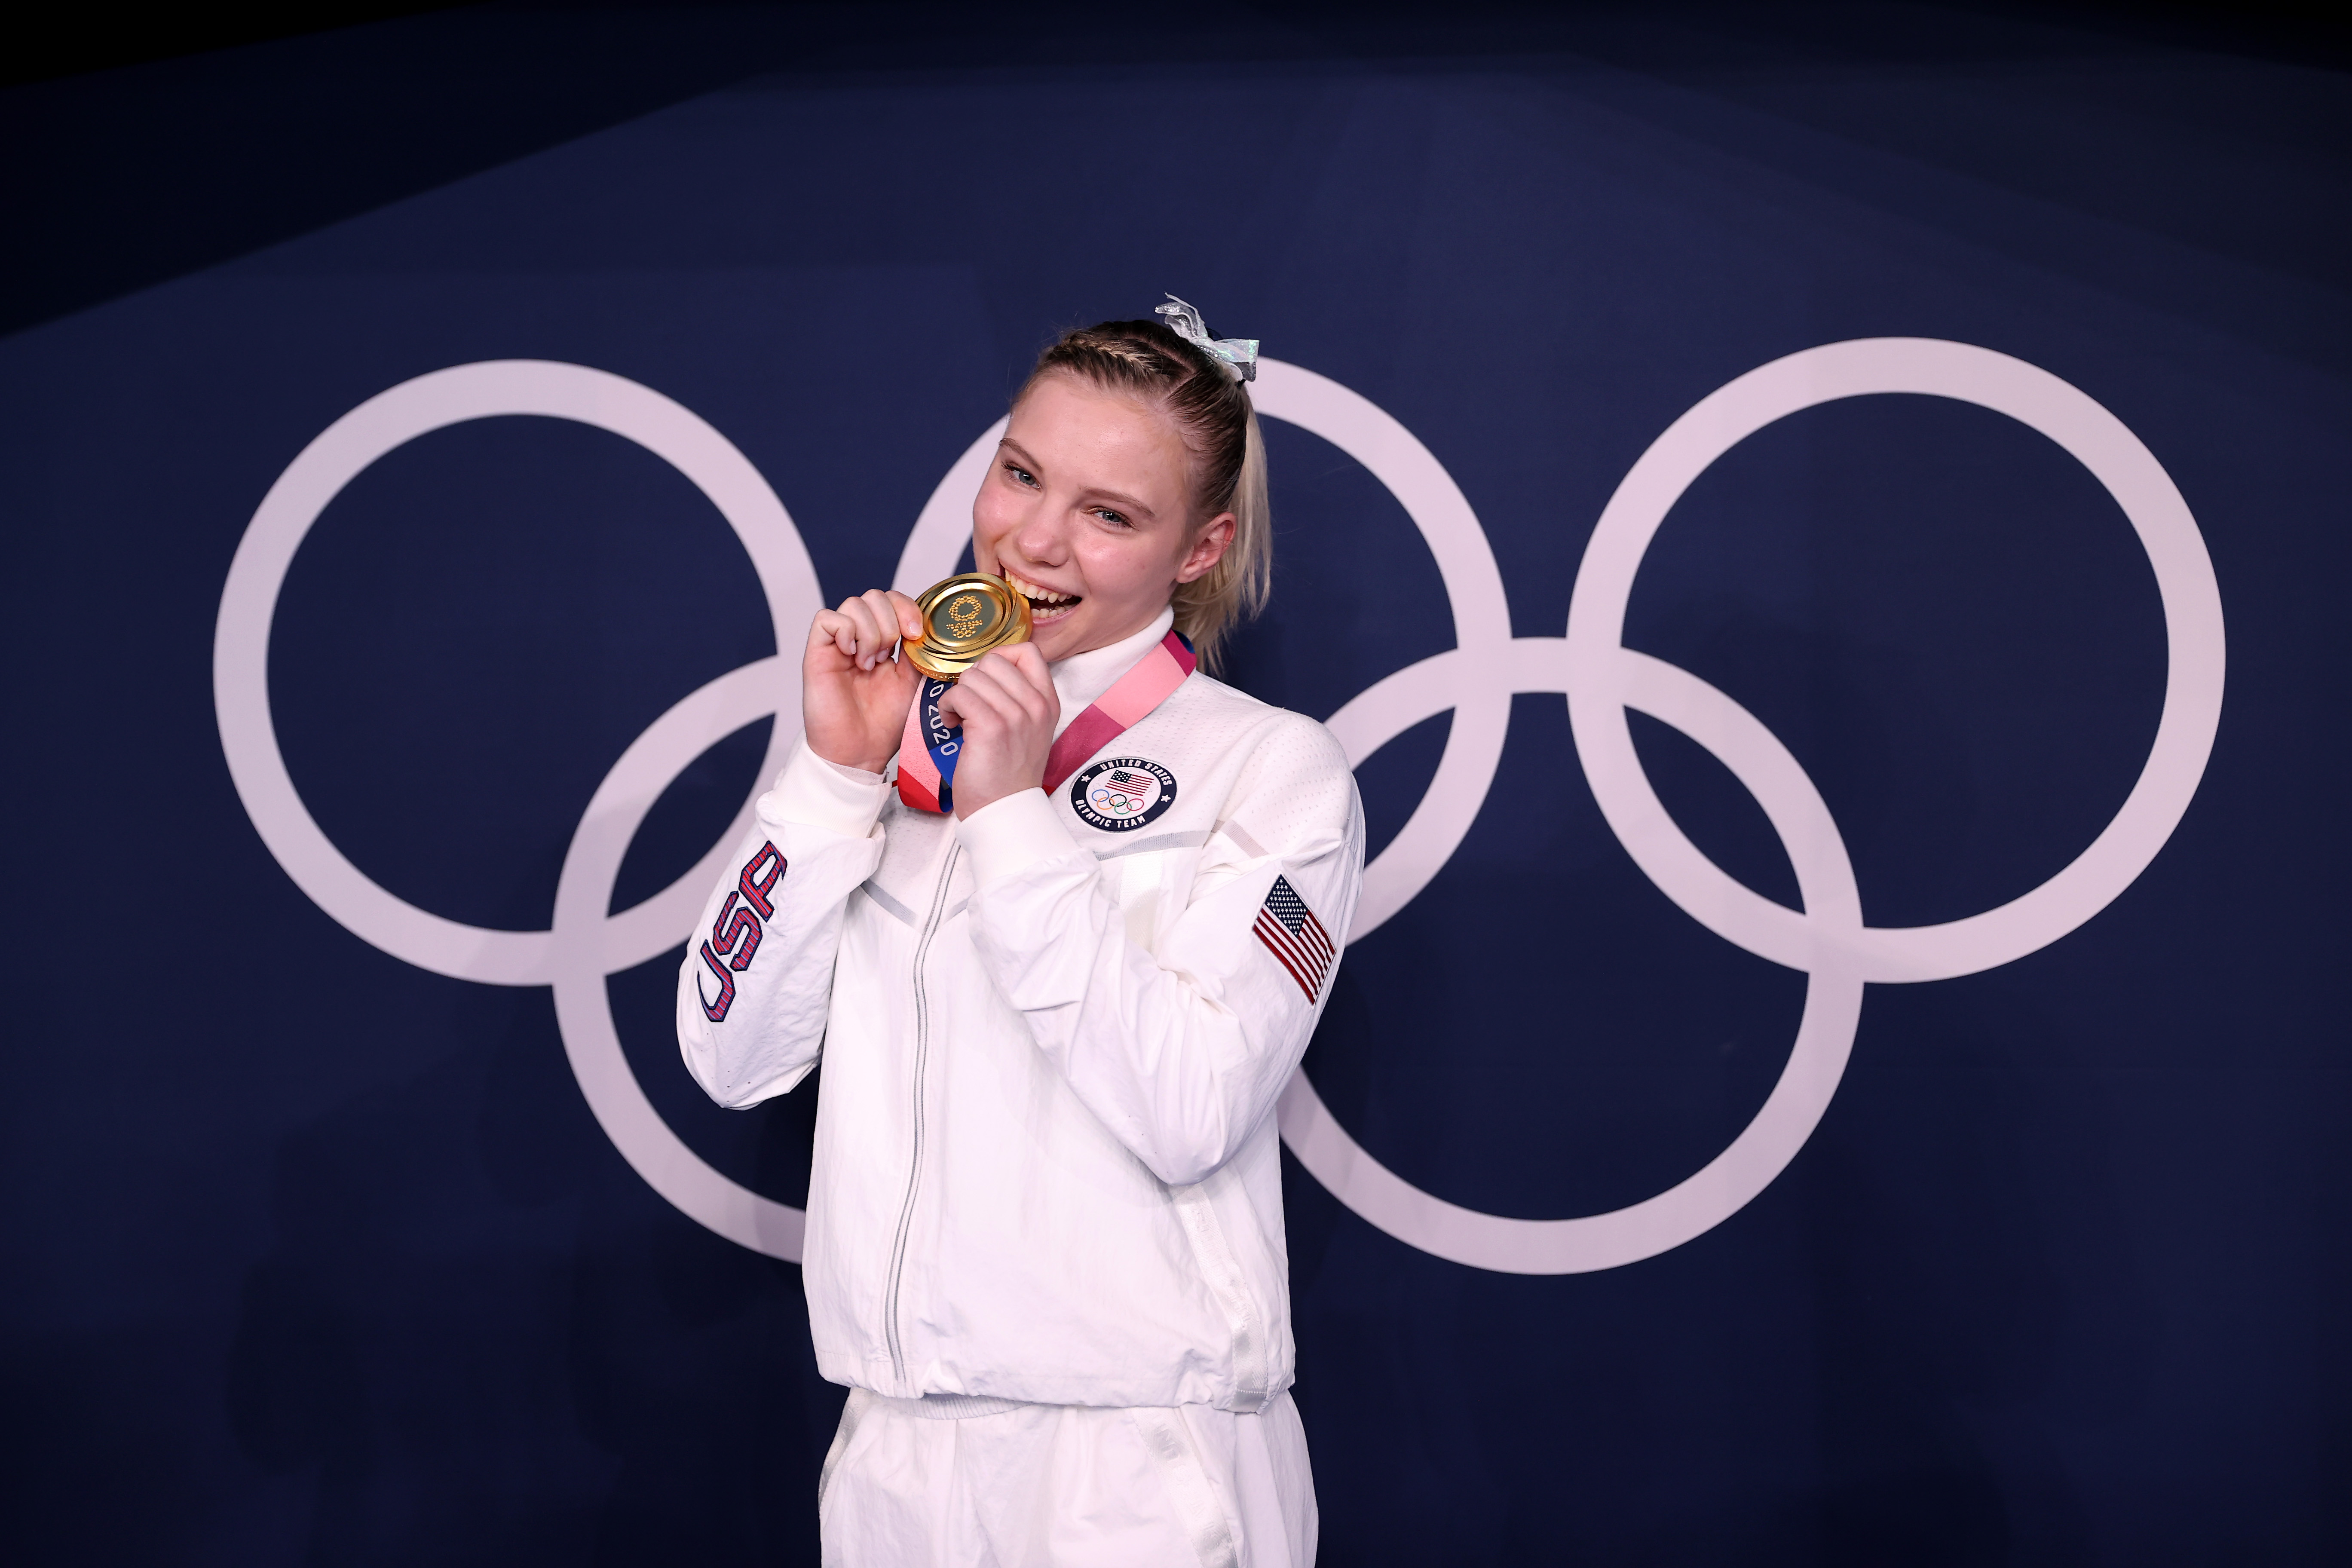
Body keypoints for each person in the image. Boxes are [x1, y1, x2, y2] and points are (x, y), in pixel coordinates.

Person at [676, 300, 1364, 1568]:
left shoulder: (1271, 771)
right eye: (1022, 473)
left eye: (1110, 514)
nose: (1034, 539)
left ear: (1202, 546)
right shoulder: (901, 741)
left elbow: (1188, 1101)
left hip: (1136, 1470)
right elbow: (729, 1059)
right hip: (896, 1452)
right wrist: (834, 778)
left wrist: (1010, 814)